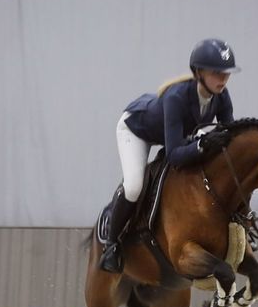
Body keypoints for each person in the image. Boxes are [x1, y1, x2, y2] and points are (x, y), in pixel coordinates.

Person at [99, 38, 241, 273]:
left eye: (226, 73)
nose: (223, 79)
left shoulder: (222, 96)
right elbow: (175, 155)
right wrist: (204, 145)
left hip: (174, 134)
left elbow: (230, 136)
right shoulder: (177, 97)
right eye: (217, 73)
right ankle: (112, 245)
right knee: (134, 186)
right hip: (136, 130)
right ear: (198, 72)